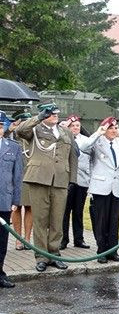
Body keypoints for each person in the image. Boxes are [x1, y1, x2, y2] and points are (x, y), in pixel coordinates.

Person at [14, 103, 76, 272]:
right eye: (49, 113)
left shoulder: (66, 132)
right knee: (40, 220)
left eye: (55, 113)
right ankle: (41, 256)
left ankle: (54, 254)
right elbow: (19, 131)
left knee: (57, 220)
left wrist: (72, 179)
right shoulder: (34, 130)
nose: (54, 115)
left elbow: (73, 157)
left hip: (60, 180)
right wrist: (39, 117)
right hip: (39, 179)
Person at [80, 117, 119, 264]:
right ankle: (101, 251)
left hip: (117, 187)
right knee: (100, 221)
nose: (114, 131)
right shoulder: (97, 143)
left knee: (114, 221)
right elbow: (83, 147)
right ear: (104, 129)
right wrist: (97, 133)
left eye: (115, 128)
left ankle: (113, 251)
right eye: (110, 128)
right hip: (100, 187)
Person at [0, 112, 24, 288]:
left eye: (1, 126)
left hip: (4, 201)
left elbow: (17, 177)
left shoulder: (13, 147)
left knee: (1, 241)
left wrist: (16, 200)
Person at [60, 116, 91, 250]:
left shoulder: (86, 141)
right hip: (67, 180)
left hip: (81, 180)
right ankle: (63, 239)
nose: (76, 128)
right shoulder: (63, 139)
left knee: (78, 212)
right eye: (73, 126)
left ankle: (79, 239)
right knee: (64, 212)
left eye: (78, 126)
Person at [9, 112, 33, 252]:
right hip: (15, 177)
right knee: (16, 207)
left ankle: (28, 239)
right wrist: (10, 129)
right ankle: (18, 239)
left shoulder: (32, 137)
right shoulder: (11, 138)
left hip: (31, 176)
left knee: (30, 207)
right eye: (22, 122)